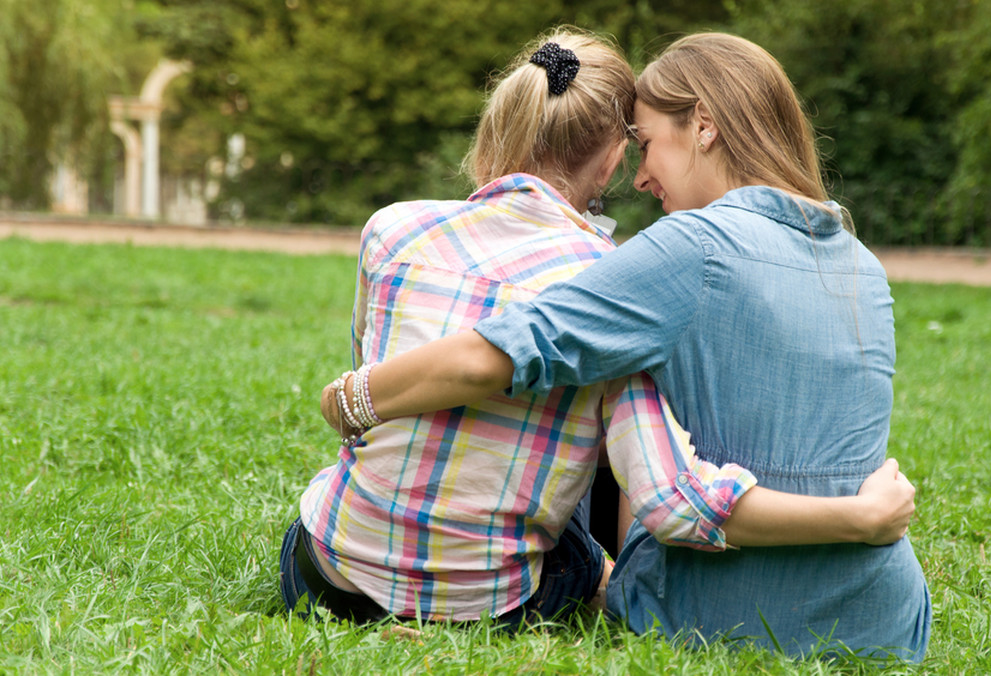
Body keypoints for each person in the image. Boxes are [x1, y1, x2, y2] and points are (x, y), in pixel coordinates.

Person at [320, 32, 931, 660]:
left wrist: (350, 398)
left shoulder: (691, 246)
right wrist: (866, 518)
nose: (638, 177)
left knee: (591, 394)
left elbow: (491, 355)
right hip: (885, 622)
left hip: (717, 615)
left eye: (644, 144)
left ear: (703, 125)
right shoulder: (863, 264)